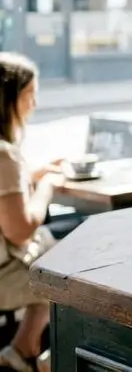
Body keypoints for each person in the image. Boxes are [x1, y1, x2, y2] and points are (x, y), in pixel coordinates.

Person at [0, 53, 57, 372]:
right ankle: (42, 355)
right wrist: (46, 188)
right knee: (73, 277)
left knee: (52, 247)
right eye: (29, 95)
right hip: (3, 277)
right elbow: (19, 230)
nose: (34, 103)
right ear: (8, 98)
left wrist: (30, 178)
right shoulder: (4, 155)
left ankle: (24, 351)